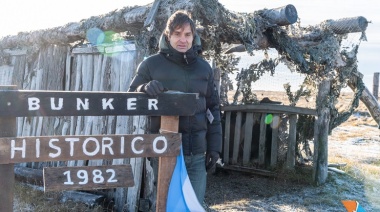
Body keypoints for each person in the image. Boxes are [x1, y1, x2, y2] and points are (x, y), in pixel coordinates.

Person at [128, 10, 222, 204]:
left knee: (194, 205)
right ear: (167, 35)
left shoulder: (204, 68)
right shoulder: (151, 65)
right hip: (164, 151)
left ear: (193, 37)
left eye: (187, 35)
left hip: (196, 154)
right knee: (166, 204)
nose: (182, 40)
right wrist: (143, 88)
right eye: (177, 34)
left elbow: (213, 109)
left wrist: (214, 149)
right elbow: (130, 97)